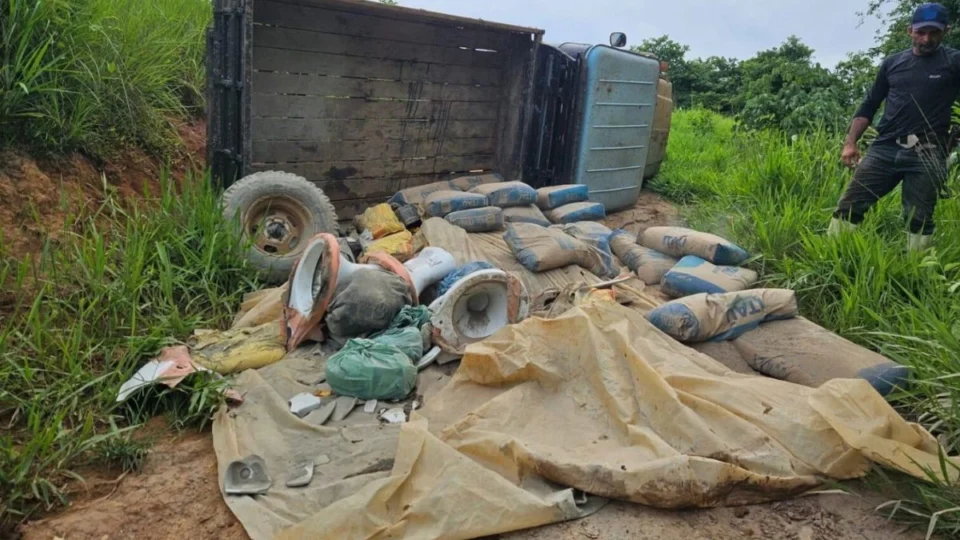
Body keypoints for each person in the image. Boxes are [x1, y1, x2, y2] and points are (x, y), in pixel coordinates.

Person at [832, 2, 960, 251]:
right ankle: (832, 257)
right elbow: (869, 105)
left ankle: (917, 272)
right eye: (921, 32)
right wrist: (850, 143)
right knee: (850, 204)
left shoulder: (954, 62)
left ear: (946, 30)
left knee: (919, 218)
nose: (927, 38)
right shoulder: (893, 63)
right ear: (909, 30)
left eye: (934, 32)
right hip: (884, 148)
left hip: (928, 151)